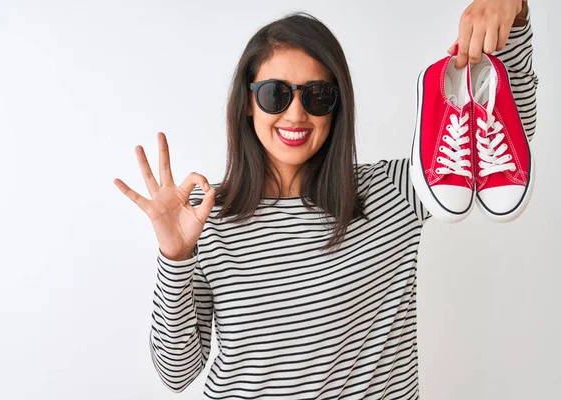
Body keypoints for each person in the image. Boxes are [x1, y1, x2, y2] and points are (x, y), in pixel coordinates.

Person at [113, 0, 537, 398]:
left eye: (318, 96)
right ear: (247, 102)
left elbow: (507, 140)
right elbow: (177, 373)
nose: (296, 115)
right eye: (275, 94)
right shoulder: (204, 213)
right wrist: (175, 258)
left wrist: (514, 11)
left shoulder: (393, 192)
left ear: (337, 107)